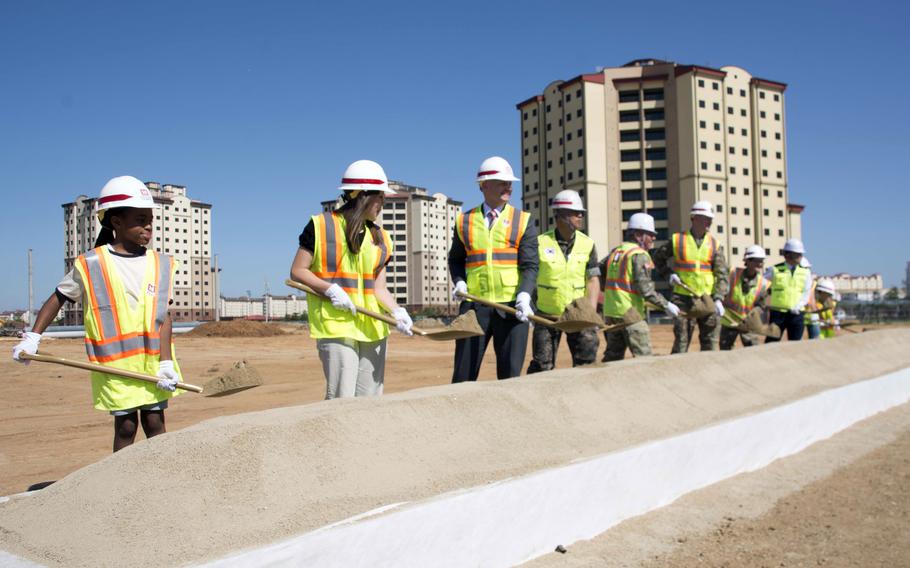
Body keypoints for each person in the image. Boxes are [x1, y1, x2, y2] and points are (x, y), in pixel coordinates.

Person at [12, 176, 183, 452]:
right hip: (114, 367)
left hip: (153, 366)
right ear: (116, 222)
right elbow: (58, 297)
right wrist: (33, 337)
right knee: (126, 426)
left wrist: (166, 363)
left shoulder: (161, 264)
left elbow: (164, 317)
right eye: (140, 220)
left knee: (155, 422)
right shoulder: (91, 264)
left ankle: (159, 483)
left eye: (150, 219)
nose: (149, 226)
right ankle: (118, 485)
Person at [289, 160, 413, 398]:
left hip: (373, 327)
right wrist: (330, 290)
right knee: (341, 398)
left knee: (370, 400)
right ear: (363, 195)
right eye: (380, 196)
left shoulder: (381, 238)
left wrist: (397, 311)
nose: (383, 202)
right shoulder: (321, 226)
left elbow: (379, 288)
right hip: (338, 325)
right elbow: (298, 271)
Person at [449, 156, 538, 381]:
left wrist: (525, 295)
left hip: (511, 310)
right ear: (484, 185)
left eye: (510, 182)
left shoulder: (523, 220)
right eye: (502, 182)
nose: (508, 186)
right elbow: (456, 259)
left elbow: (530, 265)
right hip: (474, 308)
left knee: (510, 378)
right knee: (463, 376)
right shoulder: (464, 221)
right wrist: (459, 280)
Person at [526, 190, 599, 373]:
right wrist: (528, 305)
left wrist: (589, 312)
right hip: (546, 315)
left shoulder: (587, 244)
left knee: (587, 364)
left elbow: (593, 280)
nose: (580, 216)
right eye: (576, 212)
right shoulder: (540, 243)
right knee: (542, 366)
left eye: (581, 213)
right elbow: (529, 276)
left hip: (577, 314)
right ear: (560, 215)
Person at [601, 212, 680, 361]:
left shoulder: (616, 252)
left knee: (612, 359)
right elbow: (645, 289)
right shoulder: (639, 254)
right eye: (650, 234)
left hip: (612, 314)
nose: (654, 238)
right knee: (645, 360)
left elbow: (599, 272)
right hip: (631, 315)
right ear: (638, 235)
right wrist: (665, 305)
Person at [652, 201, 729, 352]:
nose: (709, 222)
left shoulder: (715, 244)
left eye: (710, 218)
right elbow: (658, 258)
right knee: (681, 343)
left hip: (708, 299)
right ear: (694, 218)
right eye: (705, 218)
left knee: (710, 344)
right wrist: (669, 275)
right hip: (683, 299)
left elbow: (722, 274)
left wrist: (719, 298)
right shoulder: (677, 240)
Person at [719, 245, 771, 350]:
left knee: (753, 352)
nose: (760, 264)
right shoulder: (733, 273)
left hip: (748, 323)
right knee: (725, 351)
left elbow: (762, 305)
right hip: (729, 321)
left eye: (761, 261)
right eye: (756, 260)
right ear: (747, 261)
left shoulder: (764, 284)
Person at [765, 239, 812, 342]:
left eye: (801, 254)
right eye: (798, 254)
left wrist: (799, 305)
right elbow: (761, 284)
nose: (801, 256)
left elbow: (806, 292)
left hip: (797, 314)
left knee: (795, 345)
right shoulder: (775, 269)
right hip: (778, 314)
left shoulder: (806, 272)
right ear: (788, 255)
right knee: (771, 343)